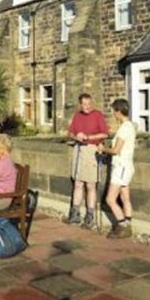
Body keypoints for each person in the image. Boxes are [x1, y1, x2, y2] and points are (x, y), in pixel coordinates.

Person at [65, 93, 109, 229]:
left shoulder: (98, 115)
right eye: (84, 104)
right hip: (78, 149)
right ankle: (75, 213)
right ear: (80, 104)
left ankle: (90, 216)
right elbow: (70, 133)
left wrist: (88, 137)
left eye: (89, 104)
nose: (87, 107)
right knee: (78, 183)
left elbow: (105, 134)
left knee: (90, 185)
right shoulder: (77, 115)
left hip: (91, 150)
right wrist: (76, 136)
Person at [103, 99, 136, 239]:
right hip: (127, 166)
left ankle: (122, 225)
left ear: (118, 111)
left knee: (110, 199)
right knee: (125, 197)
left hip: (121, 167)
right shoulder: (130, 125)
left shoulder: (124, 128)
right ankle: (127, 224)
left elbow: (116, 150)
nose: (113, 114)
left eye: (113, 111)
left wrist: (103, 149)